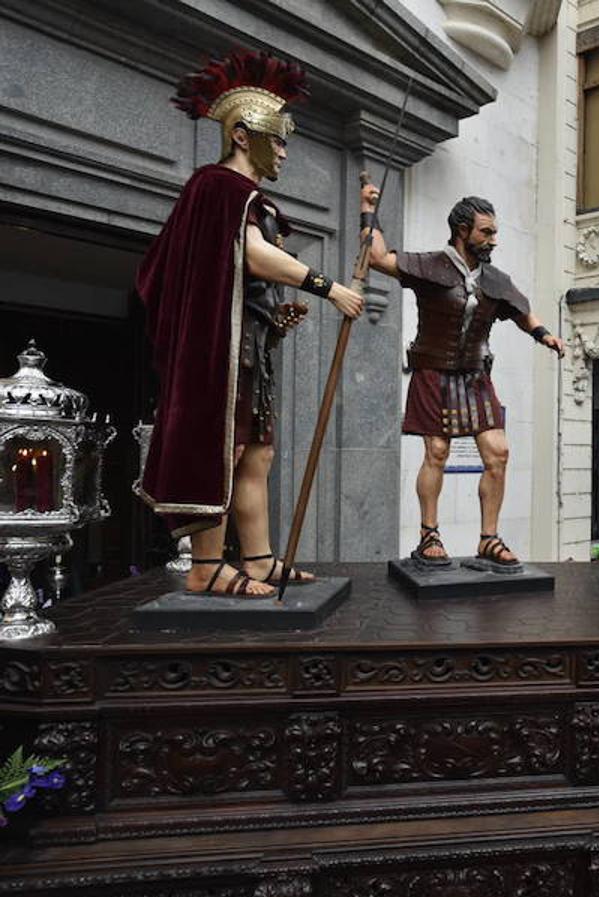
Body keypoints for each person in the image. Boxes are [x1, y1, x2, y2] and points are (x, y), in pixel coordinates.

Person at [135, 50, 365, 597]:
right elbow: (251, 254)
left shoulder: (246, 197)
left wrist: (273, 316)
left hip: (248, 343)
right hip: (220, 351)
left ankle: (257, 559)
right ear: (242, 135)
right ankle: (207, 566)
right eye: (277, 139)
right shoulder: (218, 188)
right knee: (225, 450)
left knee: (257, 453)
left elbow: (241, 280)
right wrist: (328, 287)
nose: (284, 151)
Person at [361, 189, 564, 570]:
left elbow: (522, 312)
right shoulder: (431, 265)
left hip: (474, 376)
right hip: (433, 371)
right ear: (462, 230)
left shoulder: (495, 279)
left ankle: (488, 538)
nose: (493, 240)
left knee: (498, 453)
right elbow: (376, 258)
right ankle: (429, 534)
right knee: (436, 452)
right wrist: (368, 211)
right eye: (486, 232)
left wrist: (544, 335)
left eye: (494, 232)